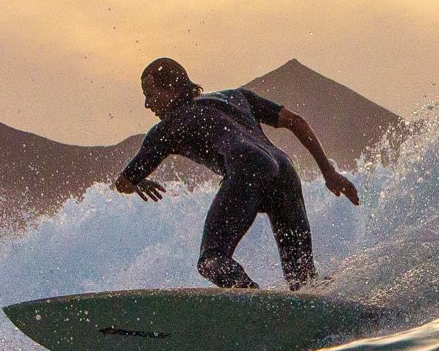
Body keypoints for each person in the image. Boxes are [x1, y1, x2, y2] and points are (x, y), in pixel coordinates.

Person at [113, 57, 361, 289]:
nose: (147, 104)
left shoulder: (167, 128)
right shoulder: (235, 96)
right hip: (285, 171)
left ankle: (256, 303)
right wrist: (329, 173)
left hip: (248, 167)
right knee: (302, 277)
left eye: (150, 95)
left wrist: (138, 183)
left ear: (171, 89)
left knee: (211, 259)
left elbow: (123, 182)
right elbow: (296, 121)